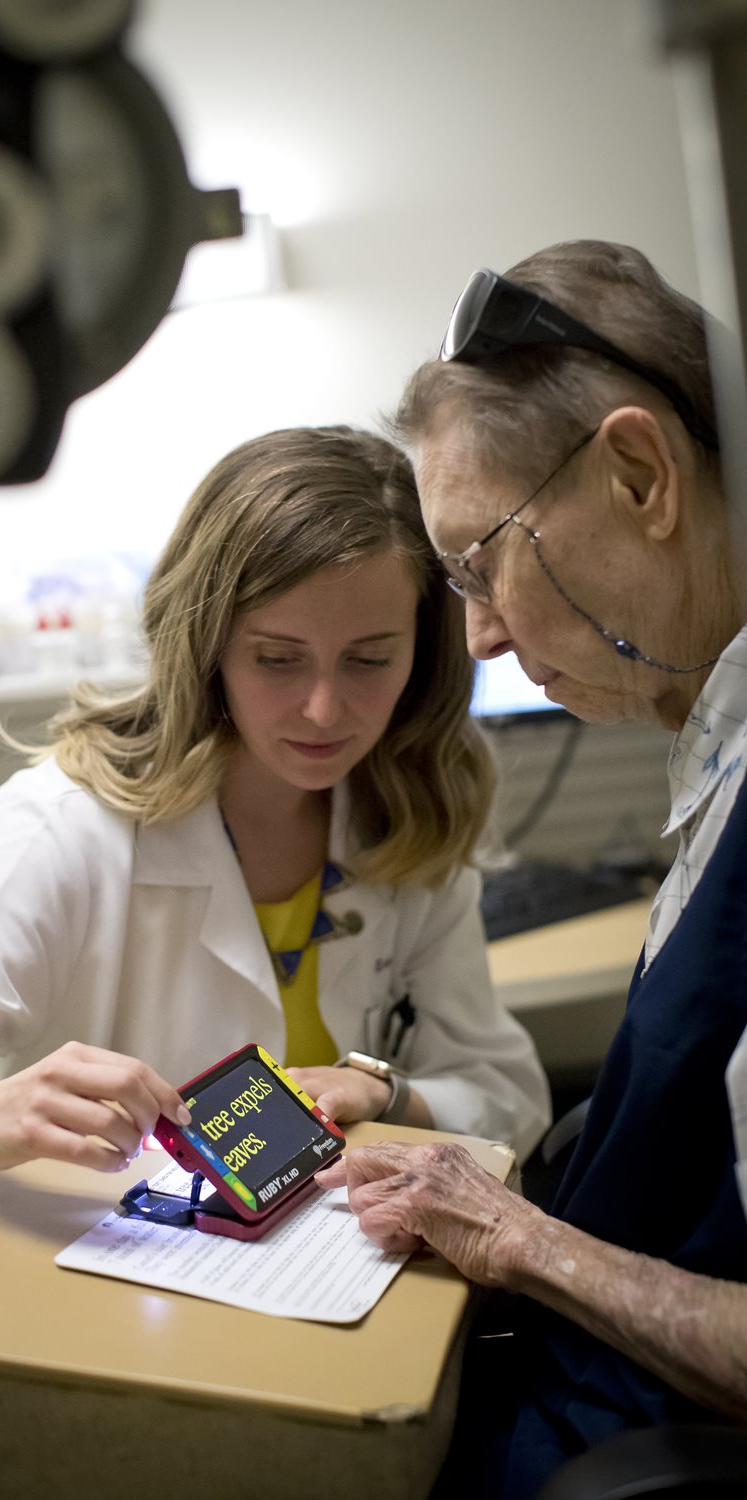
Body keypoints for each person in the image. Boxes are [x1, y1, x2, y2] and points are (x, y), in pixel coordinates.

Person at [0, 425, 550, 1225]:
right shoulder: (66, 828)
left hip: (331, 1270)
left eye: (369, 659)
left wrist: (391, 1094)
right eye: (277, 659)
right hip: (114, 1285)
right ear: (207, 643)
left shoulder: (408, 820)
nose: (326, 709)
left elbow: (506, 1095)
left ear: (424, 654)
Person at [317, 242, 747, 1497]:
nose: (484, 635)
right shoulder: (714, 754)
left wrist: (518, 1241)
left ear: (638, 476)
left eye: (483, 560)